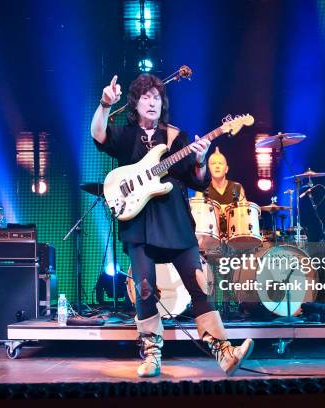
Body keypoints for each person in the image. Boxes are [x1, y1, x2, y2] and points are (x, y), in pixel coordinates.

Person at [91, 74, 253, 378]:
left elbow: (198, 180)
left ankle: (224, 352)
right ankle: (152, 355)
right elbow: (99, 134)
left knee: (199, 286)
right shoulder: (125, 135)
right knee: (144, 289)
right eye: (146, 97)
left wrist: (201, 159)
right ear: (136, 103)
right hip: (139, 224)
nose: (152, 102)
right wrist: (103, 104)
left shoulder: (176, 137)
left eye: (157, 97)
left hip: (175, 222)